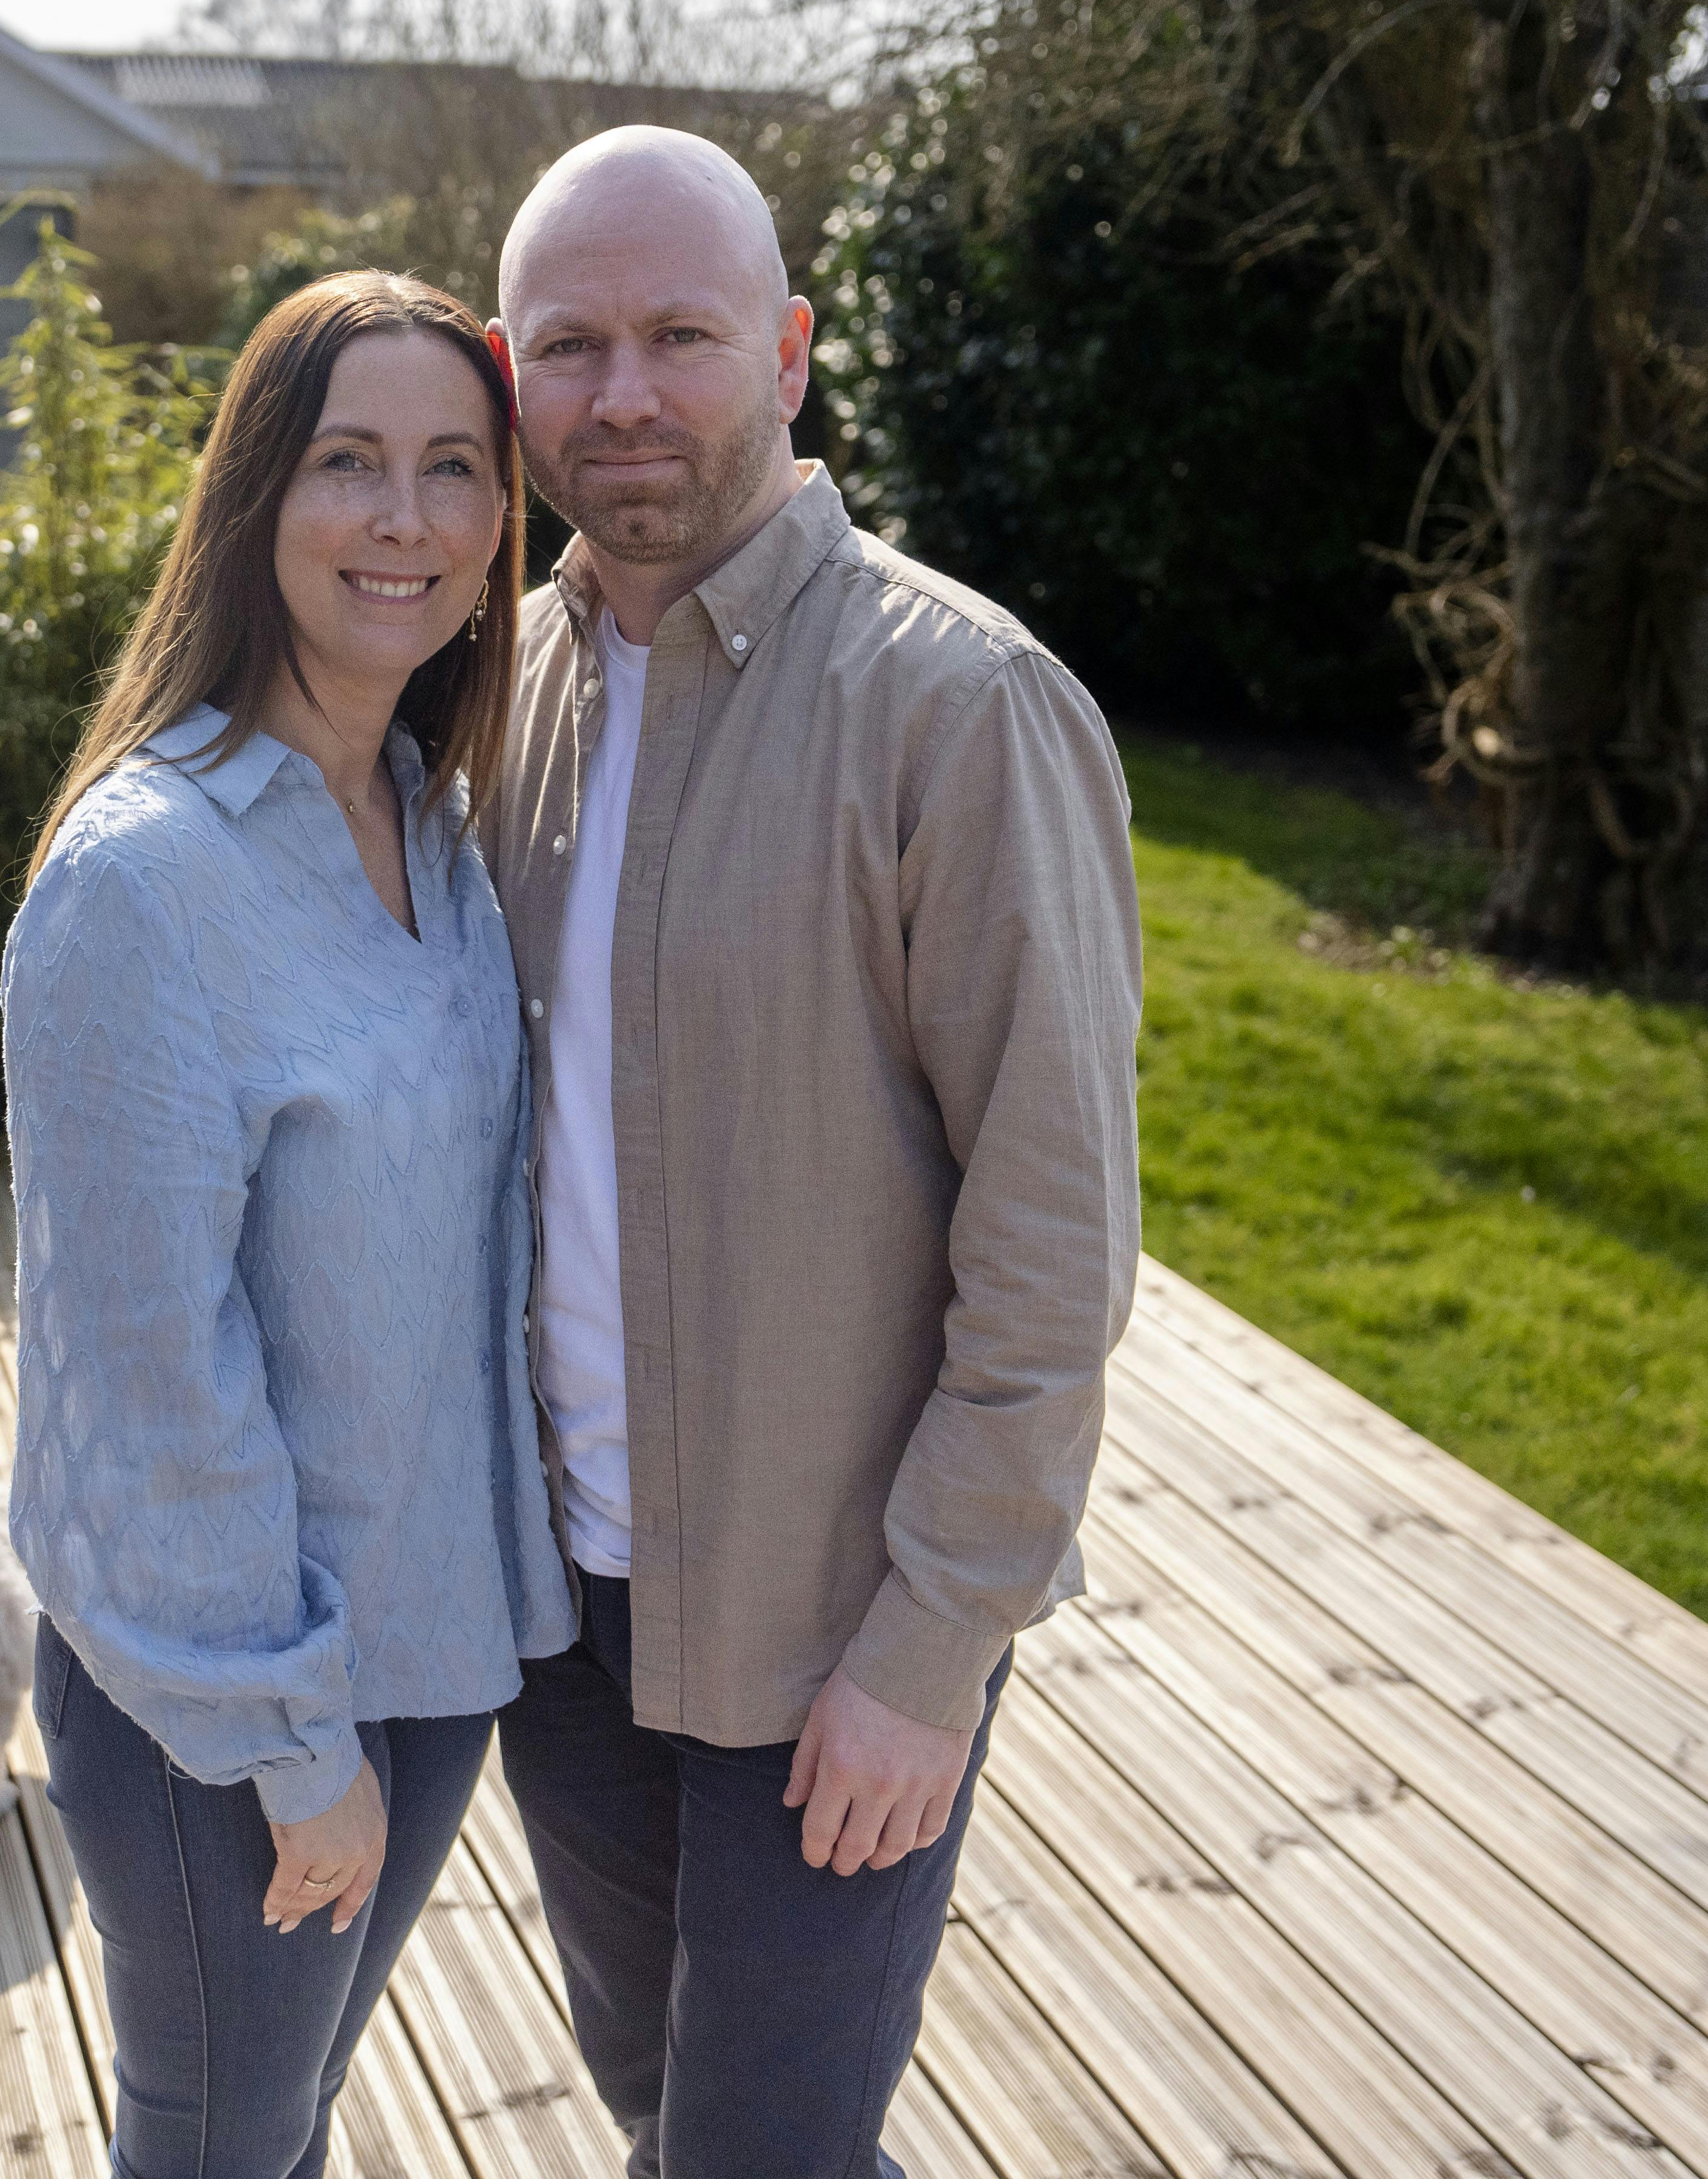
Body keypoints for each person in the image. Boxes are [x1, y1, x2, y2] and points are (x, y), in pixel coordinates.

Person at [478, 126, 1144, 2177]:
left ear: (788, 350)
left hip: (826, 1636)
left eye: (681, 335)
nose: (624, 394)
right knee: (665, 2103)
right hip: (556, 1618)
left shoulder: (966, 708)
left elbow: (1053, 1250)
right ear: (510, 374)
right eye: (570, 344)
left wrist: (931, 1656)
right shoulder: (492, 693)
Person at [2, 270, 576, 2179]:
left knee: (284, 2127)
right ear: (256, 497)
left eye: (455, 467)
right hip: (229, 1699)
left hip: (424, 1646)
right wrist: (287, 1741)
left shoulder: (429, 817)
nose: (406, 519)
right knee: (218, 2151)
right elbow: (148, 1373)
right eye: (349, 463)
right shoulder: (146, 882)